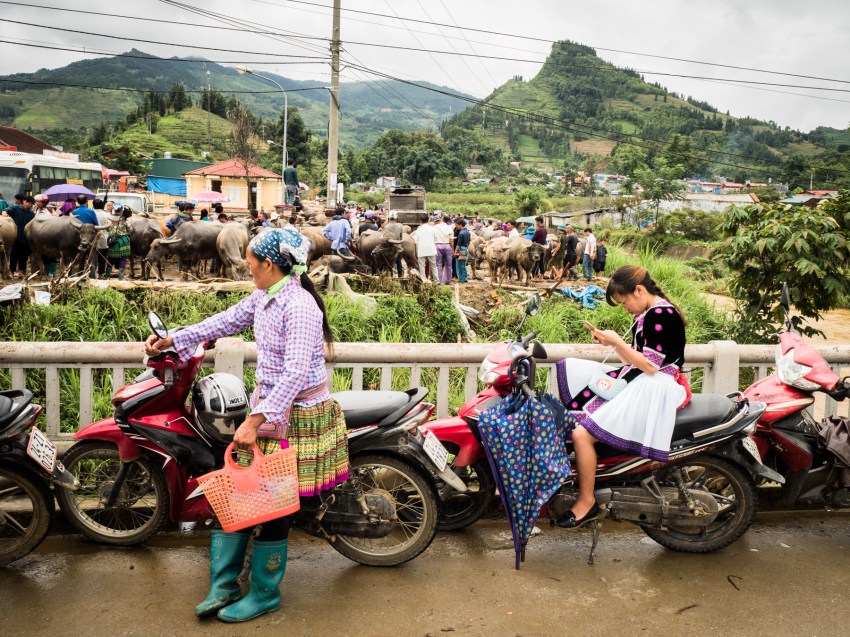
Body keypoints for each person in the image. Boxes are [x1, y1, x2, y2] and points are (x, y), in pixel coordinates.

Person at [144, 228, 348, 624]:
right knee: (240, 489)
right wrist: (173, 341)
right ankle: (223, 585)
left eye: (251, 261)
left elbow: (293, 376)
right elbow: (223, 321)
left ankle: (265, 594)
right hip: (271, 411)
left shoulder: (301, 306)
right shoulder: (265, 295)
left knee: (273, 508)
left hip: (296, 417)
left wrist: (255, 420)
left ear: (269, 264)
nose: (247, 266)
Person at [556, 266, 687, 529]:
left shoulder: (660, 314)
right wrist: (612, 342)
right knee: (579, 419)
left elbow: (650, 366)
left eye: (624, 301)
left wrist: (617, 341)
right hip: (646, 380)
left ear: (639, 290)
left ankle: (586, 501)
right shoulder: (650, 313)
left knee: (582, 434)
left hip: (656, 385)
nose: (625, 307)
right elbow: (636, 361)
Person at [7, 194, 34, 278]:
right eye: (27, 202)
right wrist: (4, 214)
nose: (28, 204)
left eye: (30, 203)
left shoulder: (32, 213)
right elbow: (6, 210)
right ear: (23, 202)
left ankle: (21, 272)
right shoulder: (16, 209)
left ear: (32, 205)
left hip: (26, 238)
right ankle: (11, 272)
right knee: (14, 255)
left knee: (24, 256)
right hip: (16, 237)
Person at [105, 203, 131, 280]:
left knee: (110, 259)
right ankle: (120, 277)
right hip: (123, 242)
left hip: (112, 241)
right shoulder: (124, 219)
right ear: (121, 210)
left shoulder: (108, 218)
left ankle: (107, 276)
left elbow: (107, 229)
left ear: (114, 209)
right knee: (123, 259)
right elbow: (130, 229)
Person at [411, 213, 438, 283]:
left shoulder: (418, 230)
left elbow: (415, 240)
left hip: (422, 250)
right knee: (433, 266)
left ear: (420, 220)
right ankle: (436, 281)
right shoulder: (433, 229)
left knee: (422, 266)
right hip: (431, 249)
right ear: (428, 220)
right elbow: (436, 239)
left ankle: (423, 280)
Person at [433, 215, 453, 285]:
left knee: (438, 264)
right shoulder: (449, 227)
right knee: (449, 264)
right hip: (447, 246)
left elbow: (433, 237)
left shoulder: (435, 227)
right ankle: (448, 280)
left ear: (442, 219)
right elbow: (451, 240)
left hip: (437, 245)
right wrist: (452, 249)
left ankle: (439, 280)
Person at [93, 198, 110, 278]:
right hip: (104, 239)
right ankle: (100, 274)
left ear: (93, 205)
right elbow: (109, 228)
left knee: (92, 257)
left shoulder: (91, 213)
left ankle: (91, 274)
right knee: (102, 258)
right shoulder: (107, 215)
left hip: (92, 239)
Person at [454, 218, 470, 283]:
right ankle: (465, 278)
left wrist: (455, 252)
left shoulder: (461, 233)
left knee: (459, 264)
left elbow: (458, 244)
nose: (456, 226)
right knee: (463, 264)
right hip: (466, 248)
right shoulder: (467, 232)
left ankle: (460, 279)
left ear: (460, 225)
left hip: (461, 249)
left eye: (457, 225)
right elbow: (469, 241)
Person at [531, 216, 548, 281]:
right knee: (541, 262)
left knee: (536, 262)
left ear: (539, 222)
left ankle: (535, 277)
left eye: (536, 222)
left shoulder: (539, 230)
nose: (536, 223)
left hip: (537, 248)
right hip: (542, 247)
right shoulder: (545, 229)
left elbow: (533, 239)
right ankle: (542, 277)